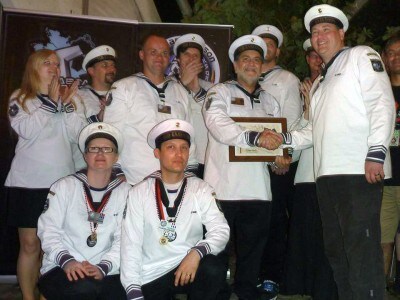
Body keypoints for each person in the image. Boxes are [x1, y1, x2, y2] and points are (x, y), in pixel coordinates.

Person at [263, 4, 395, 299]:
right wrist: (282, 139)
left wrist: (376, 152)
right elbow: (313, 130)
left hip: (357, 172)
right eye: (315, 32)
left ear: (341, 33)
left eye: (326, 30)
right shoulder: (320, 82)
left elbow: (381, 102)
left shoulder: (360, 56)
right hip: (327, 178)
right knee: (337, 252)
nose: (320, 37)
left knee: (361, 250)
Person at [202, 34, 284, 300]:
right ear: (235, 65)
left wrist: (278, 160)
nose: (251, 64)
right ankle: (214, 294)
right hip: (223, 188)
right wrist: (254, 136)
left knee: (252, 251)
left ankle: (246, 292)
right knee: (217, 249)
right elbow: (217, 124)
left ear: (262, 66)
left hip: (259, 189)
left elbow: (275, 141)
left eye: (257, 60)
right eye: (245, 59)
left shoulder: (270, 101)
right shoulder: (219, 93)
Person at [4, 49, 83, 300]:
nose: (54, 67)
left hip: (62, 184)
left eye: (57, 64)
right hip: (28, 183)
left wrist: (67, 104)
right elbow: (27, 129)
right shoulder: (21, 97)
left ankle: (46, 294)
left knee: (56, 246)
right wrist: (51, 102)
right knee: (30, 245)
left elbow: (79, 136)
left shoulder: (70, 99)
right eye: (47, 63)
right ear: (33, 68)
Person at [121, 119, 230, 300]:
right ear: (158, 153)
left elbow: (221, 230)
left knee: (213, 268)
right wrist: (133, 290)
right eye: (171, 147)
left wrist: (196, 252)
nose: (179, 154)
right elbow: (130, 244)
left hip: (189, 265)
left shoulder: (201, 188)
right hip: (152, 273)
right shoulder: (139, 192)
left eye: (184, 148)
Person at [37, 122, 130, 300]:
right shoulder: (64, 186)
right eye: (94, 149)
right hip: (61, 266)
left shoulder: (126, 192)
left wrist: (104, 267)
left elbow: (124, 238)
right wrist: (68, 261)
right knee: (83, 289)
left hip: (107, 269)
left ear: (116, 157)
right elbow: (48, 231)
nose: (100, 153)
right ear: (85, 155)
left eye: (107, 149)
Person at [103, 34, 197, 185]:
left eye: (164, 53)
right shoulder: (124, 88)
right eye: (153, 52)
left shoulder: (180, 91)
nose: (159, 57)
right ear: (142, 55)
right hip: (135, 179)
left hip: (174, 182)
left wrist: (190, 170)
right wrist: (116, 170)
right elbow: (111, 133)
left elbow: (189, 135)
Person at [283, 39, 337, 300]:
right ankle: (300, 286)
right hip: (305, 172)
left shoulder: (337, 85)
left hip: (333, 172)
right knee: (304, 234)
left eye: (321, 56)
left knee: (328, 235)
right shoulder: (297, 87)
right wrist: (306, 108)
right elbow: (295, 133)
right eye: (312, 57)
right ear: (308, 60)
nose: (317, 61)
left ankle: (325, 288)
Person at [251, 24, 302, 293]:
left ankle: (271, 275)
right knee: (253, 219)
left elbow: (292, 120)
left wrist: (284, 154)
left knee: (274, 220)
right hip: (247, 163)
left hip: (275, 164)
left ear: (278, 50)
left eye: (271, 43)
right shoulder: (244, 75)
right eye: (261, 41)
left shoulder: (288, 80)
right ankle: (251, 273)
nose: (265, 46)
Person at [172, 33, 213, 177]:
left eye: (195, 56)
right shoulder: (167, 86)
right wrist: (182, 84)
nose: (191, 59)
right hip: (175, 158)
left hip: (205, 159)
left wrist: (197, 90)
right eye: (187, 55)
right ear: (178, 60)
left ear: (201, 62)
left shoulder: (212, 89)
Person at [73, 45, 117, 170]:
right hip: (84, 166)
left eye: (112, 65)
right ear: (91, 71)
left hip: (115, 165)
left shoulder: (121, 95)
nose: (111, 69)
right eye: (104, 65)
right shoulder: (78, 96)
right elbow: (74, 131)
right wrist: (98, 118)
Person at [381, 34, 400, 293]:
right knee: (382, 238)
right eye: (392, 53)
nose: (397, 58)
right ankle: (378, 288)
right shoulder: (377, 89)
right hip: (382, 176)